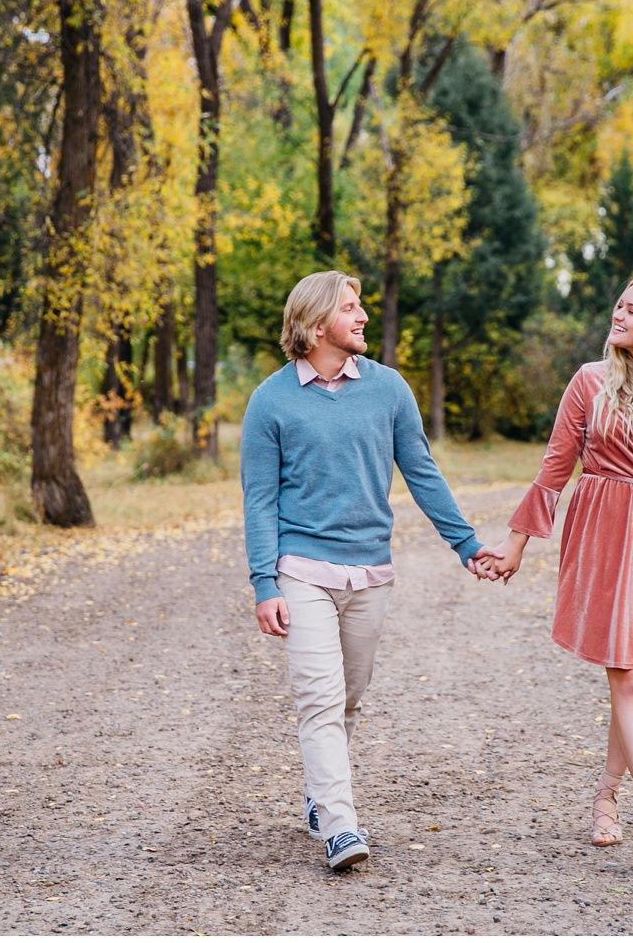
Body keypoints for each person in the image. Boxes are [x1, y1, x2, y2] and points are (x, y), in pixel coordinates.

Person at [241, 270, 501, 870]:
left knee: (349, 698)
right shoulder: (270, 401)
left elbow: (422, 471)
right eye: (350, 308)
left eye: (361, 307)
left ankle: (318, 797)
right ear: (313, 325)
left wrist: (465, 544)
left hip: (369, 573)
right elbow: (259, 500)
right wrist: (264, 583)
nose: (362, 318)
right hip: (300, 570)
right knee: (320, 699)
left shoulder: (388, 389)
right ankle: (339, 826)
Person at [476, 274, 633, 873]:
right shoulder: (590, 382)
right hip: (604, 538)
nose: (619, 314)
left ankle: (606, 796)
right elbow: (556, 466)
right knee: (631, 680)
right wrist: (516, 544)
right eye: (619, 304)